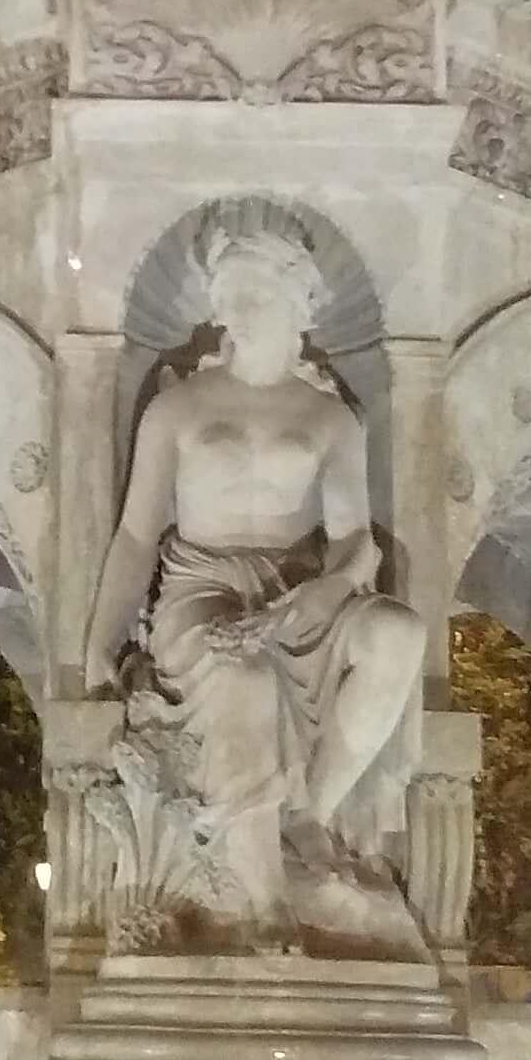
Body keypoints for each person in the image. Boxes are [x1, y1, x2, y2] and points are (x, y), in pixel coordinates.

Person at [86, 221, 422, 933]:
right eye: (232, 294)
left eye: (257, 292)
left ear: (297, 302)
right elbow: (137, 534)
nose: (240, 308)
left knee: (396, 633)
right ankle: (268, 901)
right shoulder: (177, 407)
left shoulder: (330, 418)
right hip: (199, 588)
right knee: (242, 676)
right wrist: (101, 641)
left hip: (297, 588)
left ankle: (310, 812)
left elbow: (356, 538)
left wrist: (324, 592)